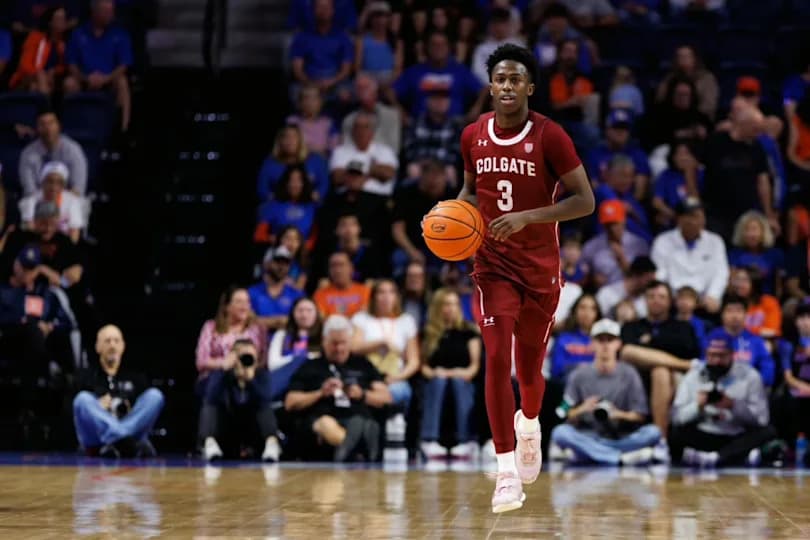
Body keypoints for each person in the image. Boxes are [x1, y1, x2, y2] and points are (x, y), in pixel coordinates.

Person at [453, 44, 594, 513]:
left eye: (516, 79)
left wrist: (527, 218)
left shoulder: (551, 136)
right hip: (492, 266)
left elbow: (584, 200)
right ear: (490, 86)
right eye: (500, 79)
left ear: (530, 87)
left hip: (540, 270)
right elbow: (471, 192)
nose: (507, 86)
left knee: (530, 369)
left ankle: (529, 423)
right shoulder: (472, 134)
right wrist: (449, 215)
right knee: (497, 357)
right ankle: (505, 471)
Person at [550, 319, 661, 465]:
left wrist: (618, 414)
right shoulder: (578, 374)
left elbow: (640, 415)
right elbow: (562, 412)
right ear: (592, 344)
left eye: (610, 340)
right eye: (600, 340)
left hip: (620, 435)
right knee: (560, 433)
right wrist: (582, 409)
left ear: (618, 344)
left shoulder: (629, 373)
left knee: (653, 432)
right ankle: (619, 458)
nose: (605, 345)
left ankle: (589, 454)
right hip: (589, 434)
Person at [285, 315, 392, 462]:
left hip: (356, 414)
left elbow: (386, 397)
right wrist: (320, 393)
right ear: (324, 341)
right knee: (327, 424)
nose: (339, 348)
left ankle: (346, 451)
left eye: (343, 343)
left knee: (360, 421)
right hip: (324, 422)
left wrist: (362, 394)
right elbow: (290, 402)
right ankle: (353, 449)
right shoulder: (310, 367)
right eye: (334, 343)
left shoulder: (362, 365)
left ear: (350, 342)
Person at [670, 328, 776, 467]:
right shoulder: (693, 376)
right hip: (705, 433)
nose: (716, 361)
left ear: (732, 354)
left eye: (721, 356)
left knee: (768, 432)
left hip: (735, 434)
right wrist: (697, 407)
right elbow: (677, 417)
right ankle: (733, 457)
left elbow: (762, 420)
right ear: (705, 354)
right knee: (675, 433)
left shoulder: (750, 376)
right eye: (712, 355)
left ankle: (717, 457)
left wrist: (734, 406)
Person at [620, 280, 701, 457]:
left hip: (676, 381)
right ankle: (660, 441)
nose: (656, 300)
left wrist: (649, 348)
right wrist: (676, 359)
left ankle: (660, 441)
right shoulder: (631, 326)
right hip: (636, 379)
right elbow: (625, 352)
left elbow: (690, 351)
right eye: (651, 296)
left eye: (661, 297)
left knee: (660, 371)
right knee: (630, 352)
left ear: (670, 301)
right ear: (645, 300)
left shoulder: (683, 327)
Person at [73, 325, 164, 458]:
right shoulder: (86, 376)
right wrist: (97, 406)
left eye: (116, 341)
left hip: (129, 424)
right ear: (98, 346)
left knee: (155, 396)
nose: (112, 345)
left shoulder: (136, 377)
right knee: (82, 399)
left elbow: (143, 412)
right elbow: (76, 413)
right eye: (107, 341)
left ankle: (117, 441)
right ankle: (124, 440)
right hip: (96, 438)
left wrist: (130, 407)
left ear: (123, 346)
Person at [419, 289, 481, 460]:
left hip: (463, 381)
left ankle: (466, 440)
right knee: (439, 381)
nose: (451, 308)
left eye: (454, 304)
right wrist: (435, 373)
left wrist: (454, 373)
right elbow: (423, 366)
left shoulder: (469, 332)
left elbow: (474, 367)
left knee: (458, 382)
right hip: (435, 382)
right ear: (438, 307)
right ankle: (429, 439)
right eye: (447, 304)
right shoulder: (428, 333)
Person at [702, 105, 779, 241]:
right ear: (743, 124)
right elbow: (693, 167)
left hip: (746, 213)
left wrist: (769, 214)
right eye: (755, 129)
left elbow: (763, 182)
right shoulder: (715, 141)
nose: (758, 133)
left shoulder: (757, 147)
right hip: (715, 211)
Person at [0, 245, 75, 381]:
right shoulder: (3, 291)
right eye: (24, 268)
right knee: (31, 329)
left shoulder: (46, 294)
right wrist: (22, 323)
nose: (26, 273)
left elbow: (67, 323)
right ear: (16, 265)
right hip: (10, 345)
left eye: (31, 269)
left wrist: (49, 327)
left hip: (40, 349)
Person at [199, 339, 282, 462]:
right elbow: (210, 397)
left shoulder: (261, 375)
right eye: (243, 356)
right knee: (210, 405)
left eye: (251, 356)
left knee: (264, 407)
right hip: (228, 428)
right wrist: (224, 369)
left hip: (253, 428)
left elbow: (265, 399)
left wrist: (251, 380)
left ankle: (272, 444)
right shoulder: (222, 375)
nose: (247, 360)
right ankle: (209, 444)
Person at [650, 197, 729, 314]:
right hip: (673, 302)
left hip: (705, 302)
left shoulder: (715, 241)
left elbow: (721, 272)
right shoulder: (663, 241)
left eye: (699, 216)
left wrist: (713, 295)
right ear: (680, 219)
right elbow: (659, 274)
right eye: (691, 216)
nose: (696, 221)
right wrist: (673, 297)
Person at [64, 0, 133, 131]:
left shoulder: (120, 34)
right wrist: (85, 78)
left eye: (111, 11)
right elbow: (71, 64)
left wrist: (106, 79)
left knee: (122, 82)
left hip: (109, 80)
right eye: (106, 11)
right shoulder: (78, 34)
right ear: (94, 12)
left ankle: (123, 130)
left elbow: (124, 65)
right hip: (84, 79)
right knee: (69, 83)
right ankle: (72, 129)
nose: (110, 15)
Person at [351, 279, 419, 410]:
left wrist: (396, 377)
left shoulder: (406, 321)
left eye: (391, 292)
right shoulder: (361, 318)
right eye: (381, 292)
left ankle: (389, 415)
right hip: (366, 376)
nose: (386, 297)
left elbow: (414, 361)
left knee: (399, 390)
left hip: (395, 377)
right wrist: (381, 343)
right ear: (374, 297)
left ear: (396, 297)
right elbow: (354, 348)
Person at [195, 287, 267, 394]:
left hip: (248, 379)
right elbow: (201, 361)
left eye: (247, 302)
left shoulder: (257, 329)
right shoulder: (211, 327)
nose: (244, 306)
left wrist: (245, 368)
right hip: (215, 379)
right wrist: (224, 363)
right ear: (226, 306)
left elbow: (263, 361)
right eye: (239, 302)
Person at [390, 160, 453, 276]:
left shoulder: (452, 196)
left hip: (443, 248)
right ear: (422, 178)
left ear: (445, 179)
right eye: (431, 183)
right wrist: (412, 252)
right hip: (412, 246)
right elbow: (397, 230)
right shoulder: (406, 195)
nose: (434, 184)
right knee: (399, 258)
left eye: (438, 181)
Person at [288, 0, 354, 102]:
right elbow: (297, 70)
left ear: (333, 11)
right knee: (299, 93)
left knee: (346, 93)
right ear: (313, 11)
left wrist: (331, 82)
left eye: (327, 7)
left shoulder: (343, 37)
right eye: (319, 7)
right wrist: (311, 83)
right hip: (309, 81)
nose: (323, 10)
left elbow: (346, 70)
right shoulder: (301, 37)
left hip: (335, 82)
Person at [19, 109, 88, 197]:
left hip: (68, 203)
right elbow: (29, 191)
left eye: (51, 123)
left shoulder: (73, 150)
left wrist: (62, 205)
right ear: (37, 128)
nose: (48, 128)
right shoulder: (28, 154)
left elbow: (78, 189)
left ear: (59, 125)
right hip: (38, 204)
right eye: (42, 124)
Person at [581, 200, 649, 288]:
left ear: (623, 220)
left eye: (615, 223)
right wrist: (592, 279)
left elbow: (646, 278)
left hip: (633, 295)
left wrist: (622, 260)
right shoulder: (591, 246)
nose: (612, 228)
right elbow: (583, 274)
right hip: (602, 294)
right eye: (608, 224)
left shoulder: (639, 244)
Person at [329, 111, 399, 196]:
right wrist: (373, 169)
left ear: (372, 132)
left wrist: (356, 173)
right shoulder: (340, 151)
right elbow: (337, 177)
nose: (361, 131)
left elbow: (388, 174)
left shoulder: (385, 151)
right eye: (357, 127)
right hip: (347, 198)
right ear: (352, 131)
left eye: (365, 127)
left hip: (378, 199)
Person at [267, 297, 323, 402]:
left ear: (316, 313)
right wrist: (301, 358)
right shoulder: (281, 335)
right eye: (300, 310)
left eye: (309, 311)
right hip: (285, 380)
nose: (304, 315)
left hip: (313, 381)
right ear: (293, 313)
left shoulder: (323, 337)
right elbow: (273, 364)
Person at [257, 125, 330, 204]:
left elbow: (324, 184)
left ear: (300, 140)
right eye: (286, 137)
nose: (290, 141)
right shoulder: (270, 163)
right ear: (280, 141)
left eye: (294, 137)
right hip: (279, 206)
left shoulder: (316, 160)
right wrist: (273, 199)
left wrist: (318, 195)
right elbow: (262, 189)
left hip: (310, 206)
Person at [585, 109, 651, 196]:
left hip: (630, 202)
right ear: (607, 130)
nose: (620, 132)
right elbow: (593, 184)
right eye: (616, 127)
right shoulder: (594, 155)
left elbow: (639, 191)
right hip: (603, 202)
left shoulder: (638, 155)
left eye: (624, 128)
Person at [715, 294, 774, 387]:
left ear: (746, 314)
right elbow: (706, 366)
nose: (734, 316)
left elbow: (767, 368)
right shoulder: (712, 338)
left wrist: (756, 386)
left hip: (750, 391)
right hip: (720, 389)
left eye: (739, 311)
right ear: (722, 315)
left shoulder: (756, 340)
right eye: (730, 311)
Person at [19, 162, 85, 243]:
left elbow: (74, 234)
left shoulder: (73, 201)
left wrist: (69, 252)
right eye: (50, 181)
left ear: (64, 185)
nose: (54, 187)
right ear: (42, 182)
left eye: (59, 183)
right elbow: (29, 231)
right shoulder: (31, 201)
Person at [10, 7, 69, 94]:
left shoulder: (63, 43)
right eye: (59, 19)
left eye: (64, 18)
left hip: (48, 81)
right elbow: (24, 66)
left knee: (35, 87)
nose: (63, 22)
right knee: (40, 77)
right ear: (50, 22)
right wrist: (40, 74)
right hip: (25, 79)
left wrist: (53, 72)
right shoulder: (35, 38)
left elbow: (64, 66)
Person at [254, 165, 317, 243]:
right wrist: (276, 240)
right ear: (285, 183)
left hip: (304, 253)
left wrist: (303, 249)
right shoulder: (273, 205)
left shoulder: (312, 207)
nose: (295, 185)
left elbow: (314, 238)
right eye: (291, 180)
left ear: (304, 183)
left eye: (299, 180)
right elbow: (259, 236)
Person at [248, 246, 304, 334]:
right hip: (256, 341)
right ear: (267, 263)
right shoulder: (252, 292)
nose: (281, 266)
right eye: (277, 261)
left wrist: (262, 321)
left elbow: (302, 321)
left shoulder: (297, 294)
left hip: (287, 343)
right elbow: (247, 320)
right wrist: (279, 321)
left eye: (286, 263)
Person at [728, 210, 785, 296]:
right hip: (742, 301)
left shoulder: (775, 254)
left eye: (754, 229)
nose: (751, 234)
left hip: (767, 300)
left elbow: (779, 288)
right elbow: (730, 285)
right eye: (747, 230)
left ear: (763, 232)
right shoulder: (734, 254)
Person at [655, 45, 719, 121]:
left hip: (699, 120)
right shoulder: (669, 78)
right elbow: (660, 100)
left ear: (695, 59)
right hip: (672, 120)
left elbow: (709, 105)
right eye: (680, 56)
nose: (683, 59)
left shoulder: (707, 78)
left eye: (687, 56)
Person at [341, 74, 401, 154]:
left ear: (375, 91)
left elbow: (394, 149)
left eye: (366, 88)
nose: (363, 92)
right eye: (359, 89)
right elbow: (346, 149)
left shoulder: (391, 116)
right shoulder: (349, 120)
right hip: (357, 162)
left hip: (383, 162)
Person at [549, 293, 600, 383]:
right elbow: (556, 370)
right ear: (575, 311)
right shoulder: (563, 338)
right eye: (582, 307)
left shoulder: (603, 341)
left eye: (592, 308)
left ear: (597, 314)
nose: (587, 312)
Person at [651, 141, 703, 229]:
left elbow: (695, 202)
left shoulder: (701, 174)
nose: (683, 158)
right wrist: (674, 215)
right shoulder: (666, 175)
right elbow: (657, 202)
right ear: (673, 157)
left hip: (695, 218)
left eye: (686, 154)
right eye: (679, 154)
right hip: (672, 216)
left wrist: (689, 175)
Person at [354, 2, 403, 87]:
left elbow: (398, 69)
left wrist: (387, 85)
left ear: (388, 19)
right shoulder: (361, 41)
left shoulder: (397, 42)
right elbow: (357, 68)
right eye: (376, 16)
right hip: (367, 80)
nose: (380, 20)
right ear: (371, 19)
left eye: (383, 16)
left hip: (389, 81)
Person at [595, 255, 656, 319]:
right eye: (648, 280)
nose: (651, 285)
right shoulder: (606, 294)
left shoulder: (645, 302)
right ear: (636, 276)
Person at [728, 267, 782, 339]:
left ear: (755, 283)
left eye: (744, 280)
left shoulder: (769, 302)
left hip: (764, 341)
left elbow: (772, 331)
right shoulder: (731, 302)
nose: (739, 284)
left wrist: (747, 331)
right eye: (737, 280)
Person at [313, 251, 371, 317]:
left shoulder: (366, 292)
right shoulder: (320, 295)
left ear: (351, 268)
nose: (337, 270)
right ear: (329, 270)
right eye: (333, 266)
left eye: (341, 265)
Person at [286, 85, 339, 157]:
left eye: (314, 98)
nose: (310, 102)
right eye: (306, 98)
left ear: (321, 102)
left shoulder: (328, 123)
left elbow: (334, 148)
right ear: (299, 103)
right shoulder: (292, 122)